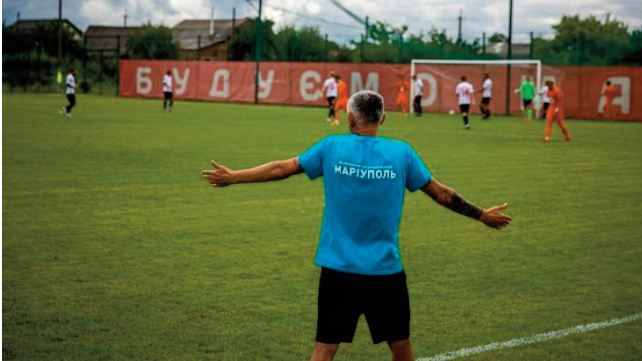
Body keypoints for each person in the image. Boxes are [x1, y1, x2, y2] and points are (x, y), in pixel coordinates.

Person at [201, 90, 512, 361]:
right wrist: (481, 214)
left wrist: (235, 177)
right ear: (383, 119)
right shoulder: (402, 153)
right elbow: (442, 193)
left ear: (350, 119)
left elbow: (283, 168)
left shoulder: (331, 147)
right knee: (401, 347)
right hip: (385, 272)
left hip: (338, 269)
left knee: (324, 349)